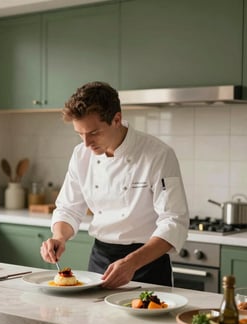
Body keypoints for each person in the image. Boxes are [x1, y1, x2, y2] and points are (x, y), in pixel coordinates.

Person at [40, 81, 189, 289]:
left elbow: (174, 222)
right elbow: (68, 208)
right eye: (79, 134)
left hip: (146, 263)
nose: (86, 143)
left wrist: (132, 262)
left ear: (116, 119)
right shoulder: (81, 155)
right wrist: (59, 237)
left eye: (93, 133)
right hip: (99, 261)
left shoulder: (158, 154)